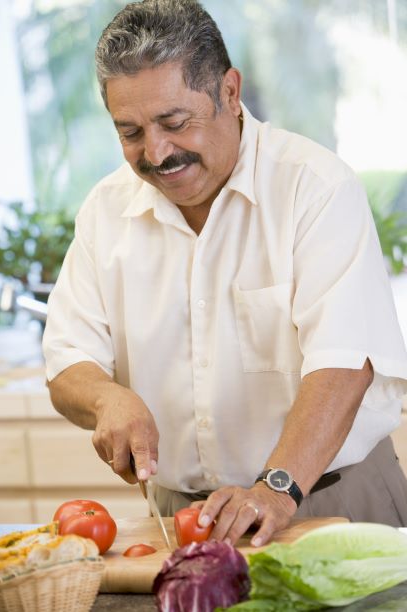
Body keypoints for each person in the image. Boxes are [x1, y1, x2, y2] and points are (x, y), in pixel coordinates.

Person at [42, 0, 407, 548]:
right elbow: (68, 357)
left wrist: (275, 488)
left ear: (230, 93)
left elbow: (343, 362)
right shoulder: (104, 211)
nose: (156, 152)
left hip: (327, 502)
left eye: (174, 122)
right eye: (130, 131)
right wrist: (105, 398)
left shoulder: (315, 188)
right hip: (181, 524)